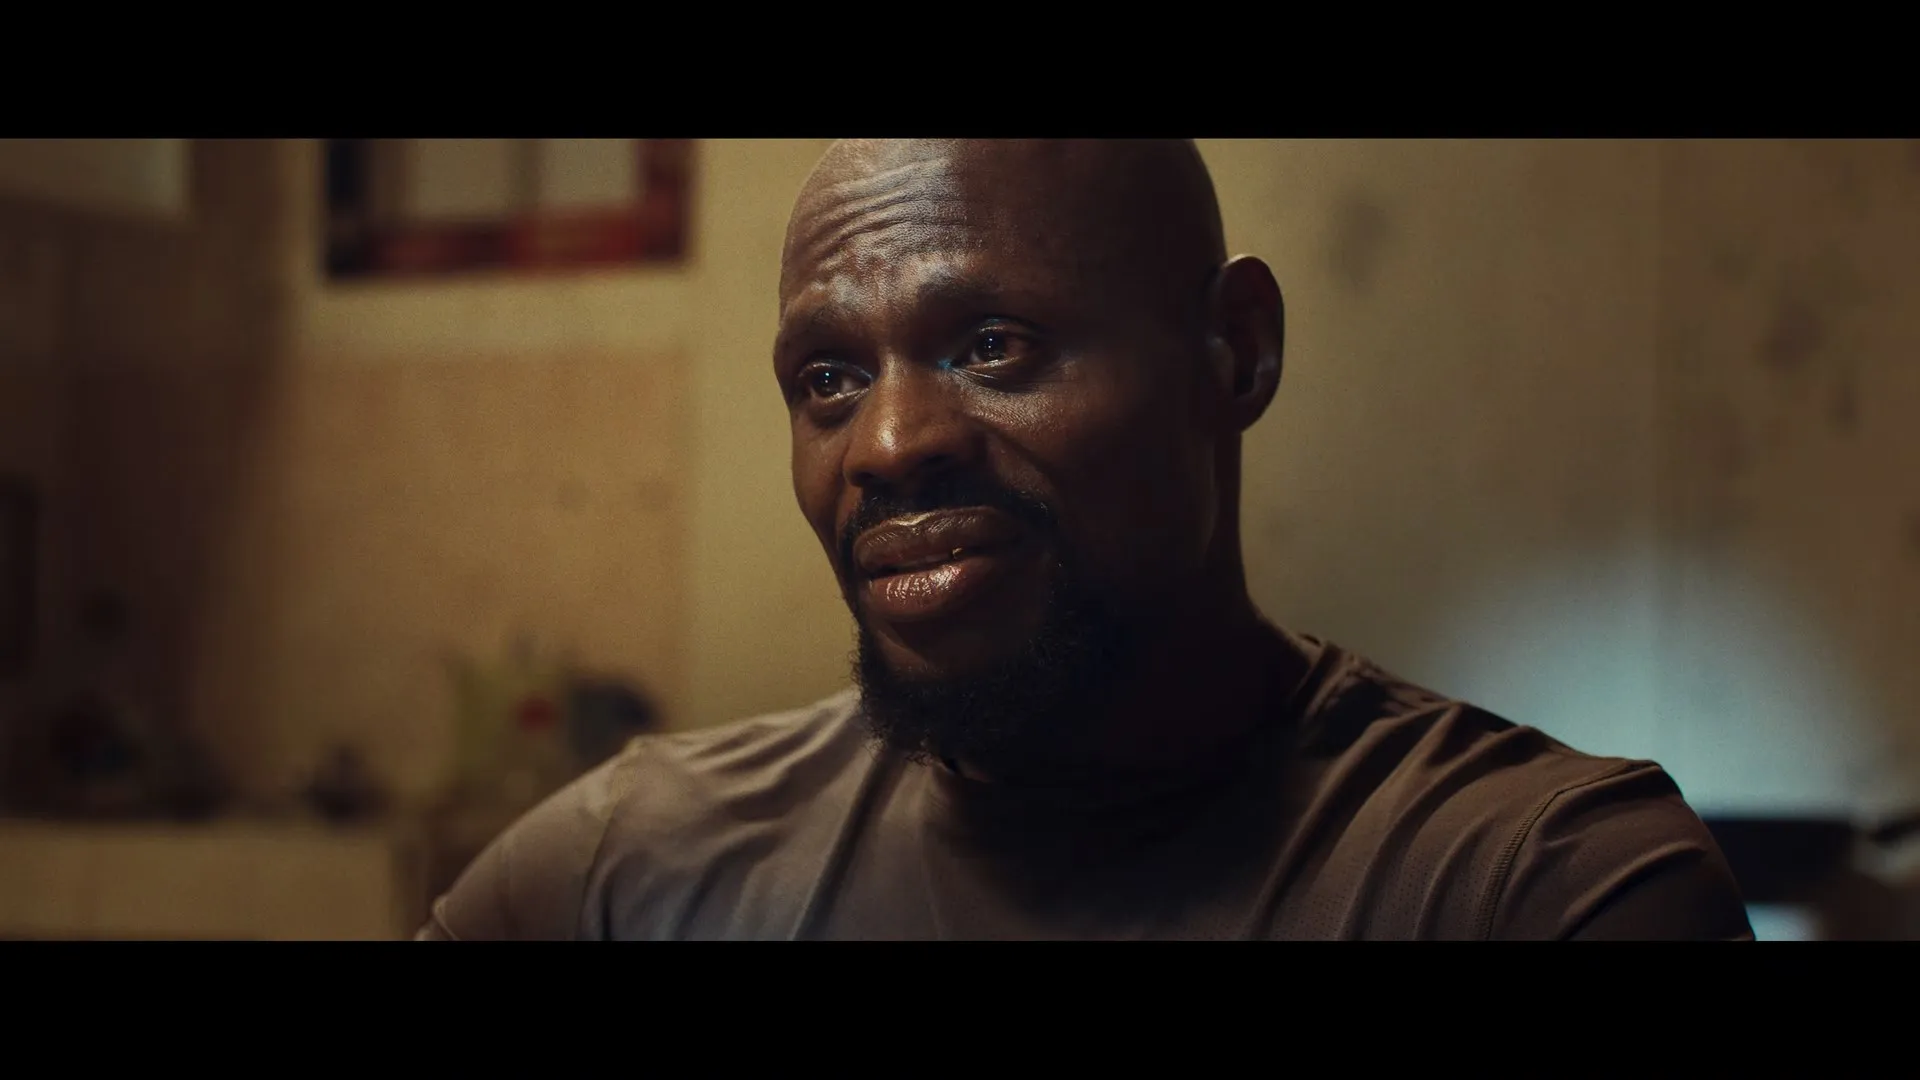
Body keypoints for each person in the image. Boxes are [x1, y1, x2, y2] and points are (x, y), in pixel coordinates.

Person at [418, 139, 1754, 940]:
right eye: (829, 378)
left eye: (992, 345)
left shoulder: (1534, 886)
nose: (889, 443)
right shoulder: (621, 876)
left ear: (1234, 352)